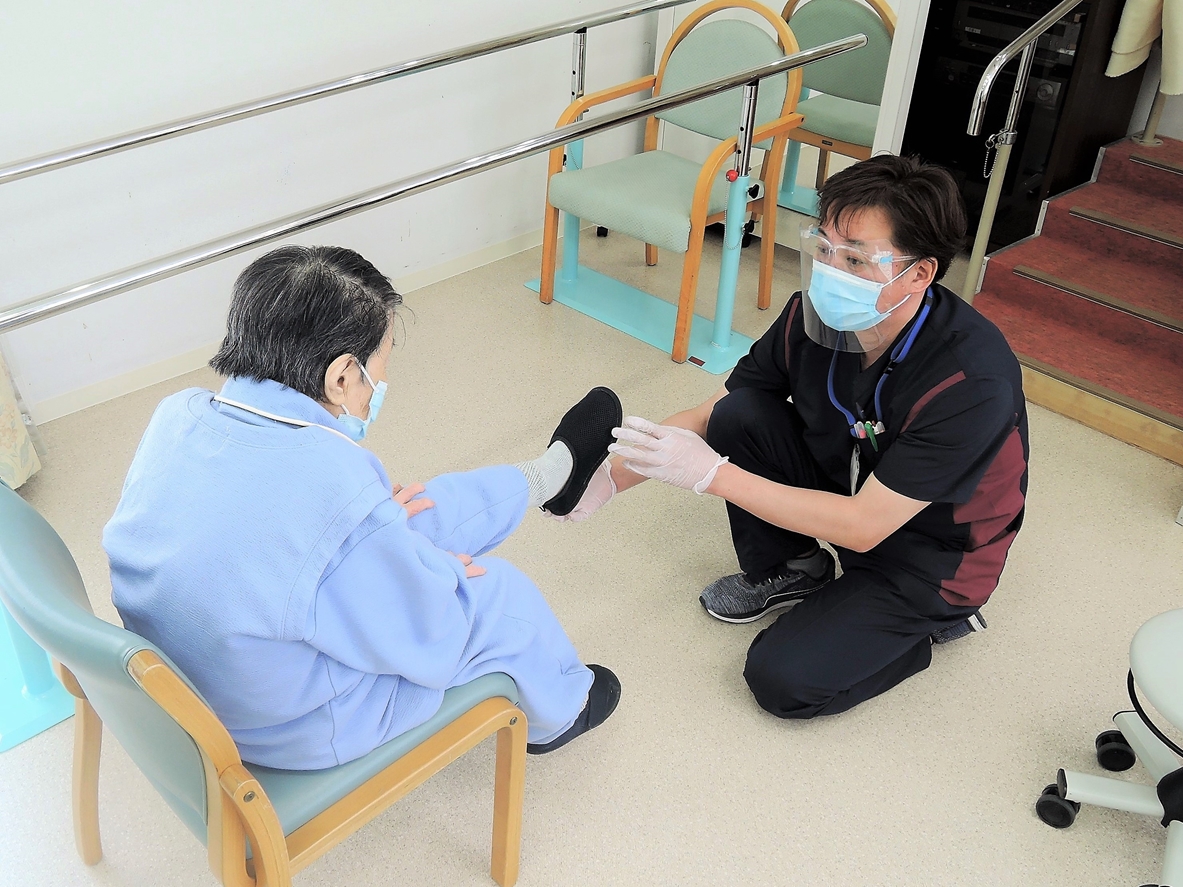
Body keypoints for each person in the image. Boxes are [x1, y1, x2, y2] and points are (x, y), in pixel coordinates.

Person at [104, 245, 621, 769]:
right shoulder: (332, 478)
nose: (380, 386)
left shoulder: (178, 415)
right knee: (497, 592)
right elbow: (431, 634)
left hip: (192, 680)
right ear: (342, 377)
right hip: (288, 725)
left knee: (413, 510)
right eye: (381, 366)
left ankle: (547, 478)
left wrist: (376, 526)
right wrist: (441, 573)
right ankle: (563, 711)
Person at [560, 155, 1028, 719]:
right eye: (824, 247)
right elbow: (712, 415)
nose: (829, 271)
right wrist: (611, 479)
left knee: (781, 680)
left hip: (928, 555)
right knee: (737, 413)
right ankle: (796, 568)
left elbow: (864, 526)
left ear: (920, 274)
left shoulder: (970, 381)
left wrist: (712, 476)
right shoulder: (814, 319)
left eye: (855, 258)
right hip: (849, 489)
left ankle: (920, 632)